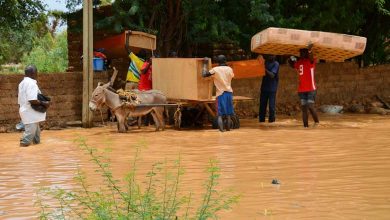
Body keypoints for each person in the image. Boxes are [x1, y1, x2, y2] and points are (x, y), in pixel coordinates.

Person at [18, 65, 50, 147]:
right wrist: (44, 103)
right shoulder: (31, 83)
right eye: (36, 73)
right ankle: (23, 154)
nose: (37, 74)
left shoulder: (22, 83)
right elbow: (32, 100)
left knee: (36, 138)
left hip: (28, 112)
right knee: (27, 140)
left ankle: (36, 153)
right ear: (33, 73)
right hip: (30, 113)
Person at [288, 43, 320, 127]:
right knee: (304, 109)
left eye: (303, 52)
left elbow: (312, 57)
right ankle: (305, 127)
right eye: (300, 53)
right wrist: (290, 58)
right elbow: (292, 65)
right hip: (302, 90)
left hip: (311, 89)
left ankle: (317, 123)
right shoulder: (299, 63)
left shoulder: (311, 61)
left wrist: (310, 50)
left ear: (306, 53)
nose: (301, 54)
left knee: (310, 106)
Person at [202, 55, 235, 132]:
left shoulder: (215, 70)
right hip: (229, 93)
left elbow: (204, 74)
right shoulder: (230, 69)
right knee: (228, 114)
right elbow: (232, 77)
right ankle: (228, 129)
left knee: (220, 114)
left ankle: (221, 131)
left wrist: (205, 64)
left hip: (221, 94)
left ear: (218, 62)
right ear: (225, 60)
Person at [259, 54, 279, 123]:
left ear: (275, 56)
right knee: (262, 106)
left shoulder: (276, 64)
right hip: (264, 88)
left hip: (272, 89)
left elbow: (272, 75)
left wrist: (264, 68)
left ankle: (271, 122)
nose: (271, 56)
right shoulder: (265, 63)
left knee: (271, 107)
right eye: (269, 55)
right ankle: (261, 122)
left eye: (272, 55)